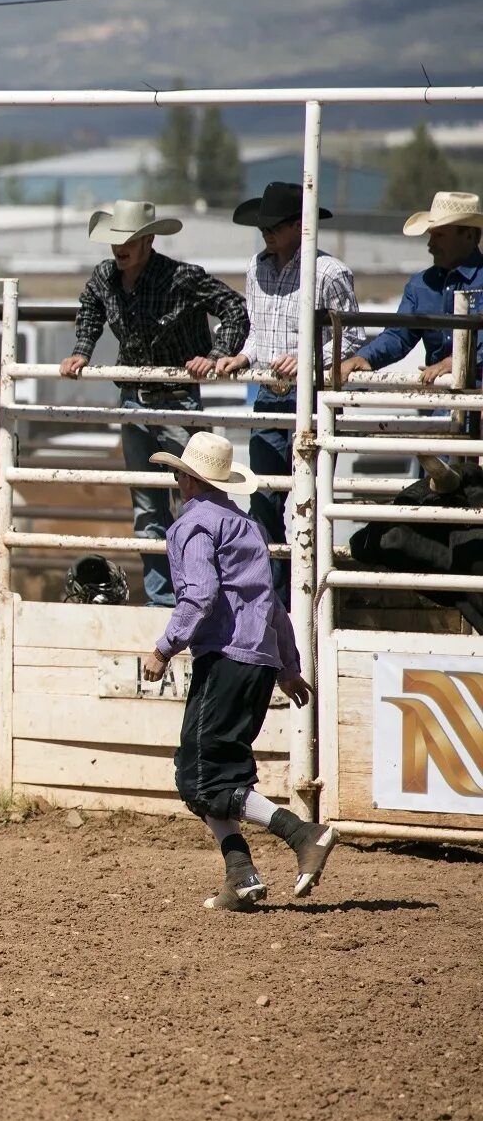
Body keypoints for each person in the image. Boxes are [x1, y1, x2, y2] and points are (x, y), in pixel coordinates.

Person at [140, 431, 336, 911]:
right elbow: (269, 603)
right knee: (199, 771)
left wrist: (164, 649)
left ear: (187, 479)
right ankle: (241, 874)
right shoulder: (245, 525)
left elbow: (200, 595)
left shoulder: (193, 526)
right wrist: (286, 667)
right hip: (256, 663)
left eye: (178, 474)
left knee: (204, 778)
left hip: (224, 659)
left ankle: (301, 834)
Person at [59, 200, 249, 607]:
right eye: (115, 240)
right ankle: (164, 599)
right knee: (148, 507)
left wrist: (216, 354)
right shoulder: (104, 278)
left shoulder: (180, 277)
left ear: (148, 240)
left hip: (177, 398)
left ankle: (202, 595)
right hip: (134, 399)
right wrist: (83, 349)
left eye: (128, 239)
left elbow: (233, 307)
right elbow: (90, 309)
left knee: (195, 500)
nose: (119, 248)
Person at [215, 182, 364, 606]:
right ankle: (272, 600)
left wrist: (309, 361)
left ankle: (312, 600)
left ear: (299, 225)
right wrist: (241, 357)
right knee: (263, 497)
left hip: (312, 398)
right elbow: (258, 333)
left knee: (310, 501)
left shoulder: (329, 273)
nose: (266, 234)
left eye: (274, 226)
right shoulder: (256, 268)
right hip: (269, 394)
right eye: (264, 227)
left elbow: (352, 338)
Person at [336, 191, 483, 388]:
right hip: (442, 404)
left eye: (439, 235)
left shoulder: (422, 284)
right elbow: (399, 335)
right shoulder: (420, 285)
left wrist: (458, 362)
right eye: (431, 235)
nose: (430, 244)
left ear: (469, 236)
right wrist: (366, 357)